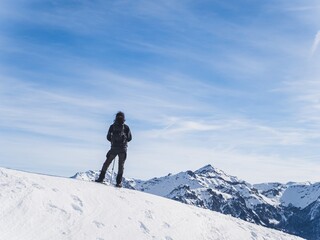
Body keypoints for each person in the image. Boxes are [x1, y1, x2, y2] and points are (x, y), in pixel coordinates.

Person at [96, 111, 132, 187]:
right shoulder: (126, 127)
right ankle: (118, 183)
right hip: (123, 149)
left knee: (107, 163)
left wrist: (113, 142)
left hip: (114, 148)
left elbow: (108, 137)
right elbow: (130, 138)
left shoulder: (112, 126)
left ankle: (101, 178)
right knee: (121, 166)